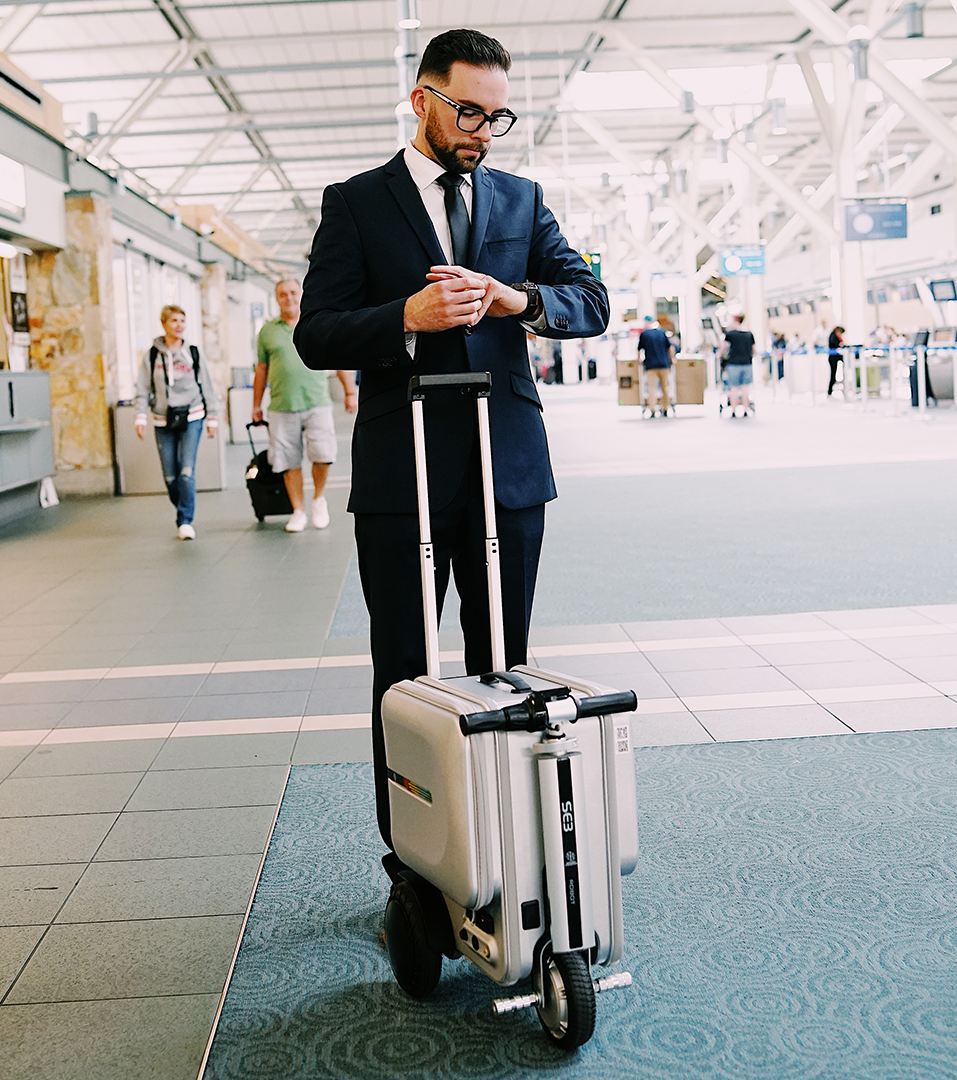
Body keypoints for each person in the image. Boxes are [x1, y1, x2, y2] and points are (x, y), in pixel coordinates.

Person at [294, 28, 609, 867]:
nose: (480, 131)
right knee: (404, 671)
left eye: (496, 117)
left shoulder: (520, 199)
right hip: (406, 480)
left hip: (507, 469)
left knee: (506, 662)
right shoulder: (357, 202)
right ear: (421, 98)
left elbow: (591, 300)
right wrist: (405, 316)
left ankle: (502, 848)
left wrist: (516, 298)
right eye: (468, 110)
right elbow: (317, 334)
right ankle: (412, 859)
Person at [253, 279, 357, 532]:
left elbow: (338, 356)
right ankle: (298, 510)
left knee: (323, 455)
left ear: (301, 295)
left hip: (317, 402)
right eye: (282, 294)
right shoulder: (268, 331)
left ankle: (318, 499)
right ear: (276, 298)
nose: (288, 298)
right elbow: (261, 369)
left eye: (292, 293)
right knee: (288, 462)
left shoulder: (316, 324)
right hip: (281, 405)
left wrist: (350, 391)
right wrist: (256, 404)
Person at [135, 305, 220, 540]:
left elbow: (207, 386)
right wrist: (140, 416)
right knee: (170, 477)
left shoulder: (193, 352)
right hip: (163, 419)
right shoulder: (152, 355)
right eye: (174, 321)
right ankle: (183, 505)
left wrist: (212, 418)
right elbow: (143, 388)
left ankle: (185, 520)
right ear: (164, 324)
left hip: (193, 415)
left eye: (183, 320)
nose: (179, 325)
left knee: (186, 471)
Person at [637, 314, 675, 417]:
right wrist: (672, 359)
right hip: (664, 365)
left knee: (652, 388)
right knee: (665, 387)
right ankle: (665, 408)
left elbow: (639, 350)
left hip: (650, 365)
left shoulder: (644, 335)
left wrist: (639, 361)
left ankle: (653, 410)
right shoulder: (662, 333)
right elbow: (670, 348)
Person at [722, 314, 755, 417]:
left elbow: (723, 348)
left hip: (733, 364)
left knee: (734, 388)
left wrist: (720, 356)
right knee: (745, 387)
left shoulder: (730, 334)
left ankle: (733, 409)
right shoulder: (749, 334)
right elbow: (754, 349)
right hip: (747, 363)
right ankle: (746, 409)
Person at [827, 324, 845, 397]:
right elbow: (835, 345)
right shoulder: (833, 336)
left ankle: (830, 391)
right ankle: (829, 391)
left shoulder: (835, 336)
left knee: (834, 374)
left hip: (836, 357)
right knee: (833, 375)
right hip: (833, 358)